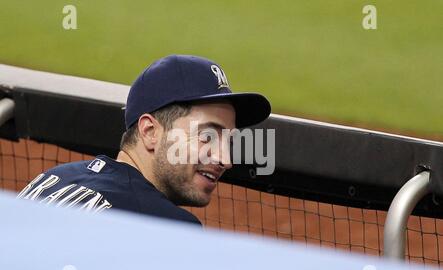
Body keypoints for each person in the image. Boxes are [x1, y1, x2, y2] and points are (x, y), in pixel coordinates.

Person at [17, 55, 271, 225]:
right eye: (207, 136)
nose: (225, 159)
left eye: (229, 141)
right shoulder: (164, 226)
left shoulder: (56, 178)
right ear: (150, 131)